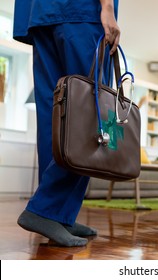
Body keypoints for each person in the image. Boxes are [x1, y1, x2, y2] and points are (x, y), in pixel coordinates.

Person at [13, 0, 120, 247]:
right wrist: (107, 7)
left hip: (40, 14)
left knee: (56, 114)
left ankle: (57, 215)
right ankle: (45, 210)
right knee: (90, 111)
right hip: (81, 11)